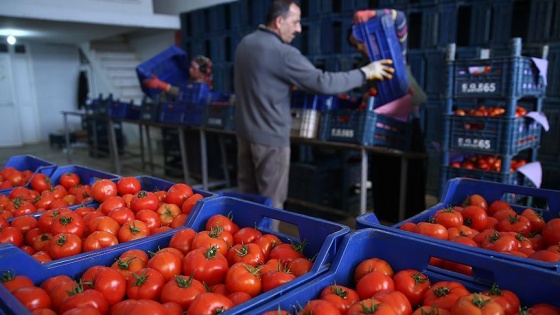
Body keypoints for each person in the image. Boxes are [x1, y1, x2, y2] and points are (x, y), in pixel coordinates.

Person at [234, 0, 395, 211]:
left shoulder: (245, 44)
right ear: (279, 21)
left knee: (246, 200)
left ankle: (244, 243)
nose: (299, 29)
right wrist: (366, 72)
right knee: (271, 204)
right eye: (296, 22)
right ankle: (269, 243)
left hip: (244, 134)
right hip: (271, 139)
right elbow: (323, 82)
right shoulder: (283, 53)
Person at [350, 8, 428, 222]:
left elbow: (400, 19)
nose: (359, 47)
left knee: (411, 173)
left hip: (407, 122)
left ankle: (412, 221)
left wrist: (376, 13)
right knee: (384, 174)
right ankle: (386, 220)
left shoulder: (395, 52)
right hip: (381, 127)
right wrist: (365, 99)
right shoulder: (364, 66)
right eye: (356, 45)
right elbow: (366, 96)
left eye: (360, 41)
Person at [143, 55, 214, 96]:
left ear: (202, 73)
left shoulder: (202, 85)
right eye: (190, 66)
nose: (190, 70)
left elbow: (186, 93)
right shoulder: (190, 80)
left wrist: (161, 85)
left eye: (194, 68)